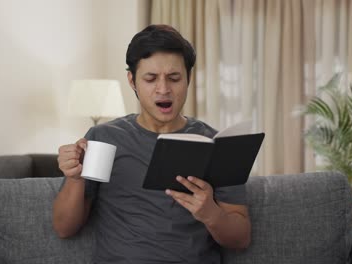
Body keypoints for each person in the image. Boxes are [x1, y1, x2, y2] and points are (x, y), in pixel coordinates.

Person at [53, 24, 251, 263]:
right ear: (132, 81)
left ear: (188, 79)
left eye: (174, 78)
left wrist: (210, 214)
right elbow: (64, 228)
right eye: (151, 78)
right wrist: (76, 178)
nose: (163, 89)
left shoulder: (217, 144)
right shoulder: (105, 138)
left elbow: (241, 239)